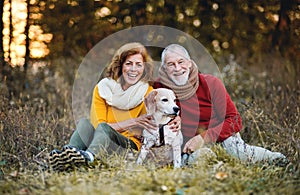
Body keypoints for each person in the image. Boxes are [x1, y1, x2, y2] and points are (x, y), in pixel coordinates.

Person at [154, 44, 288, 166]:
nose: (177, 68)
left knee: (239, 154)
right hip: (188, 146)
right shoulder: (159, 88)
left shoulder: (211, 83)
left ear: (189, 63)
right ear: (164, 68)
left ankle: (277, 159)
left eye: (181, 62)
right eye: (171, 64)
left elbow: (235, 120)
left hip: (221, 136)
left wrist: (203, 137)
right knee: (200, 160)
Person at [49, 42, 158, 171]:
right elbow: (98, 125)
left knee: (104, 128)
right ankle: (69, 156)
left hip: (128, 146)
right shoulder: (103, 88)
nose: (133, 69)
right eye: (129, 63)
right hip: (100, 140)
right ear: (120, 65)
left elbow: (145, 130)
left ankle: (89, 158)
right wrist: (132, 122)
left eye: (139, 65)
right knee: (85, 123)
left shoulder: (148, 93)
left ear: (144, 68)